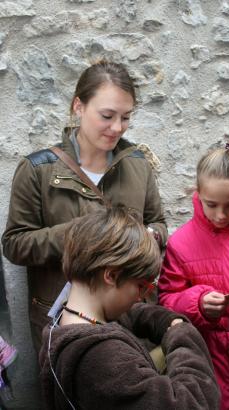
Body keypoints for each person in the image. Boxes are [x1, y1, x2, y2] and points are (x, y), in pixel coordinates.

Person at [1, 60, 167, 351]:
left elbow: (159, 224)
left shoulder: (138, 165)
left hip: (130, 318)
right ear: (78, 106)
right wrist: (81, 234)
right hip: (65, 321)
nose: (117, 127)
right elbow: (15, 244)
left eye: (126, 117)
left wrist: (149, 237)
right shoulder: (37, 169)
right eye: (107, 115)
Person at [39, 206, 220, 410]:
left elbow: (129, 314)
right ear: (112, 275)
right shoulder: (104, 359)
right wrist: (183, 335)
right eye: (140, 286)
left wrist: (163, 320)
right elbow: (194, 402)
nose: (141, 297)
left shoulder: (65, 319)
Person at [158, 135, 229, 410]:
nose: (221, 215)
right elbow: (165, 303)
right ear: (197, 193)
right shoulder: (181, 243)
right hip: (210, 363)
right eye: (211, 204)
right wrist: (197, 303)